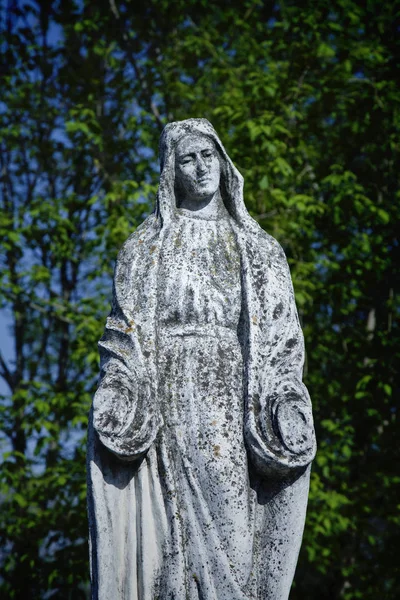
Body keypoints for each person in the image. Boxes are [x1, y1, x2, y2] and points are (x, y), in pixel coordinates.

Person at [87, 118, 316, 600]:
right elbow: (122, 337)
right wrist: (119, 386)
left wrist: (286, 397)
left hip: (231, 399)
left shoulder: (259, 250)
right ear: (172, 173)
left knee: (234, 534)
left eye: (207, 155)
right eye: (187, 159)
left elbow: (281, 340)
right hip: (166, 397)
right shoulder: (146, 248)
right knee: (168, 545)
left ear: (223, 161)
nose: (199, 166)